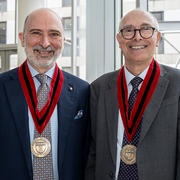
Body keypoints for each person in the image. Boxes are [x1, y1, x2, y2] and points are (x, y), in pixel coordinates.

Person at [85, 9, 180, 180]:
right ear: (119, 40)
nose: (137, 37)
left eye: (146, 29)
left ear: (157, 38)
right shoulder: (98, 89)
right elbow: (92, 152)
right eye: (128, 30)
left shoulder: (177, 84)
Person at [0, 8, 89, 180]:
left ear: (63, 40)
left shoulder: (82, 91)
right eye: (36, 33)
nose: (45, 43)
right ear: (22, 38)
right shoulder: (2, 88)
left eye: (54, 34)